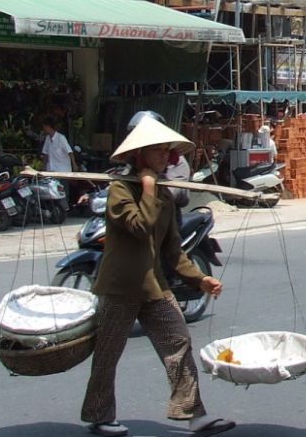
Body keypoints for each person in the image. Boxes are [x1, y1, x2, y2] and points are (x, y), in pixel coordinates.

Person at [81, 116, 235, 437]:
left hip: (155, 287)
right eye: (159, 150)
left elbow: (173, 251)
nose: (166, 156)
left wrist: (199, 279)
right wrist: (148, 188)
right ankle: (99, 415)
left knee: (178, 342)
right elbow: (140, 228)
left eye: (168, 150)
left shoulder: (164, 196)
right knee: (108, 353)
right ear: (142, 153)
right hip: (120, 287)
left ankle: (194, 414)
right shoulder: (120, 191)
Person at [127, 111, 190, 223]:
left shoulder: (176, 161)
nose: (163, 154)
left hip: (169, 220)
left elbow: (173, 192)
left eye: (164, 149)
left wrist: (149, 185)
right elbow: (126, 179)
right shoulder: (135, 160)